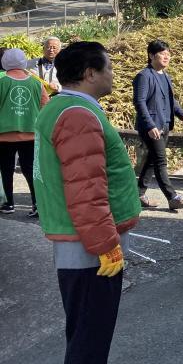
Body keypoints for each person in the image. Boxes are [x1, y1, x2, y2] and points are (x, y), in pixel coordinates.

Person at [33, 41, 140, 363]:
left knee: (84, 331)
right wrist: (106, 245)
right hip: (89, 248)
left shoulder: (60, 107)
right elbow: (86, 188)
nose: (112, 75)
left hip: (80, 241)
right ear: (90, 73)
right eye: (108, 68)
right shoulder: (77, 115)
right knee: (90, 338)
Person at [133, 40, 183, 210]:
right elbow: (140, 101)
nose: (167, 56)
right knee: (160, 161)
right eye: (162, 53)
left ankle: (138, 195)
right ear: (151, 55)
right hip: (152, 126)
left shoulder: (166, 76)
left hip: (165, 124)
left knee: (152, 160)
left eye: (168, 53)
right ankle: (173, 197)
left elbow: (171, 100)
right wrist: (150, 125)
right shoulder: (144, 75)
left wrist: (181, 113)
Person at [0, 48, 49, 216]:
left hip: (4, 135)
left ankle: (8, 203)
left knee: (6, 169)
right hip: (31, 134)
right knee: (30, 170)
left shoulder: (1, 82)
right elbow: (46, 108)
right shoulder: (37, 83)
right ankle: (37, 204)